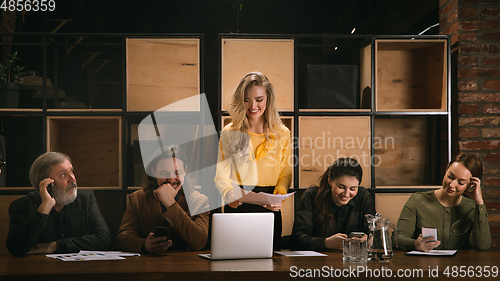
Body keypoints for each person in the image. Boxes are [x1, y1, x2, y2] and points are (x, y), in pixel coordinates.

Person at [214, 71, 292, 249]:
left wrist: (279, 197)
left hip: (269, 209)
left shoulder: (282, 133)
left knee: (270, 268)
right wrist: (228, 193)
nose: (253, 105)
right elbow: (220, 176)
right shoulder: (229, 132)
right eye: (246, 99)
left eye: (259, 99)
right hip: (238, 206)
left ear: (268, 100)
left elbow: (285, 174)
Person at [6, 152, 111, 256]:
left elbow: (104, 239)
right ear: (45, 183)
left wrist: (56, 246)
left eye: (71, 172)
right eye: (63, 175)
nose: (72, 179)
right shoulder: (22, 206)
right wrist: (43, 211)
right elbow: (16, 248)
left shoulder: (86, 199)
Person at [116, 145, 209, 254]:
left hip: (186, 265)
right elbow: (123, 238)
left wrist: (170, 203)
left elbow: (199, 242)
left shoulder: (199, 201)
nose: (171, 179)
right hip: (147, 264)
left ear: (185, 171)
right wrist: (144, 244)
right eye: (164, 173)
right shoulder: (138, 199)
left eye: (177, 172)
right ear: (153, 172)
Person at [394, 153, 491, 251]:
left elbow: (482, 246)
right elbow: (397, 238)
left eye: (461, 182)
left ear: (471, 185)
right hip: (424, 265)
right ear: (446, 169)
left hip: (459, 266)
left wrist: (479, 202)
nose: (452, 185)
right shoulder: (417, 200)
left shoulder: (472, 208)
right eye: (450, 176)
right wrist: (415, 244)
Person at [291, 158, 375, 251]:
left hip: (353, 261)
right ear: (330, 181)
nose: (346, 194)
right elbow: (296, 239)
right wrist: (326, 243)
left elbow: (375, 233)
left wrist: (369, 239)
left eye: (353, 189)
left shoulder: (363, 196)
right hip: (317, 263)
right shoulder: (311, 196)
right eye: (341, 187)